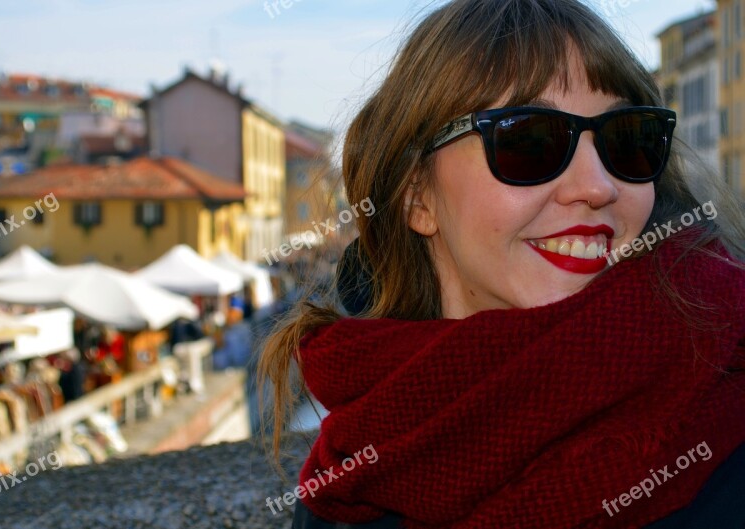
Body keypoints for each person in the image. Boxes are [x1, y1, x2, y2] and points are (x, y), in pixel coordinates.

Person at [258, 0, 745, 528]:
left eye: (627, 139)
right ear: (416, 196)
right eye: (528, 140)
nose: (598, 186)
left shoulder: (727, 384)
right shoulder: (355, 468)